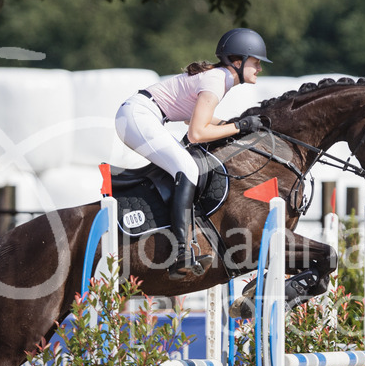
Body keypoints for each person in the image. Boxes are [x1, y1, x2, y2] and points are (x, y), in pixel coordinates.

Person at [115, 28, 271, 279]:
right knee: (187, 168)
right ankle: (180, 252)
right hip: (138, 117)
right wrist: (239, 126)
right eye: (256, 62)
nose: (260, 68)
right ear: (238, 62)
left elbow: (198, 122)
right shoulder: (217, 80)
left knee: (185, 164)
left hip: (143, 116)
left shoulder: (220, 78)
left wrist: (238, 126)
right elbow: (197, 133)